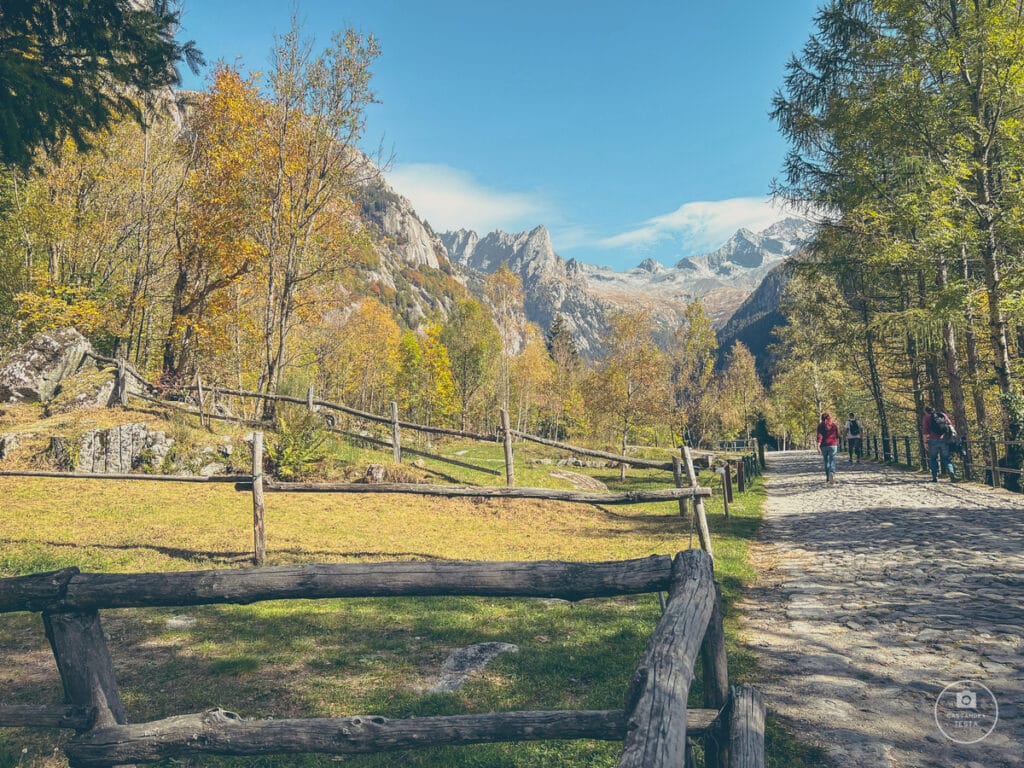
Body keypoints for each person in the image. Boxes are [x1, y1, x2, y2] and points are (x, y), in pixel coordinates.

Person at [922, 406, 957, 482]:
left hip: (933, 440)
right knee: (946, 458)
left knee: (933, 459)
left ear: (926, 411)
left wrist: (925, 442)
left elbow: (925, 431)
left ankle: (935, 477)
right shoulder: (942, 415)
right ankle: (951, 471)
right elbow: (950, 425)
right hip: (944, 439)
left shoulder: (927, 417)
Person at [816, 412, 840, 483]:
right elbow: (838, 435)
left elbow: (819, 436)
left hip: (824, 446)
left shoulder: (820, 426)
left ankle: (827, 477)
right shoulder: (834, 425)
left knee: (826, 461)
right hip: (833, 445)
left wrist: (818, 446)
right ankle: (832, 472)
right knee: (832, 460)